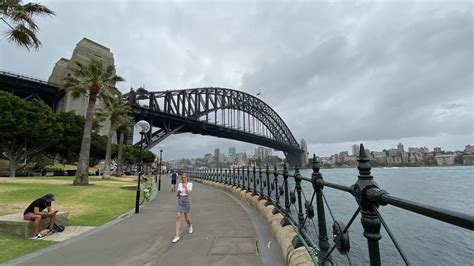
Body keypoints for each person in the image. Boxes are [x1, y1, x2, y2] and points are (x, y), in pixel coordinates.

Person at [172, 174, 193, 243]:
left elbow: (189, 193)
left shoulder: (190, 184)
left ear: (187, 178)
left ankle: (190, 226)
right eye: (183, 178)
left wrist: (185, 186)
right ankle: (177, 236)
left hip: (186, 200)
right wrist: (178, 193)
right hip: (180, 200)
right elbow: (177, 194)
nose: (184, 179)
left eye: (185, 177)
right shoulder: (179, 184)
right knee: (177, 217)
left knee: (187, 218)